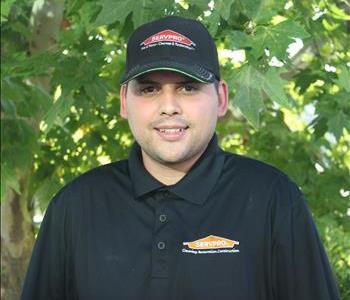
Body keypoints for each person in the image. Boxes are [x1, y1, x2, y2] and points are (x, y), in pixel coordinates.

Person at [21, 16, 340, 300]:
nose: (169, 106)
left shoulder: (273, 199)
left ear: (221, 98)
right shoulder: (75, 208)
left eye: (188, 88)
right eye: (149, 90)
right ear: (124, 101)